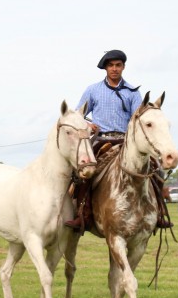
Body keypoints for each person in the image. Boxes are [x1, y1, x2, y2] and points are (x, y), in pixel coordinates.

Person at [64, 49, 172, 231]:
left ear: (123, 67)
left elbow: (139, 119)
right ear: (106, 68)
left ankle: (158, 212)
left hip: (126, 141)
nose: (114, 69)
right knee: (85, 172)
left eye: (118, 65)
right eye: (111, 65)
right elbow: (78, 114)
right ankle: (82, 213)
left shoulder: (132, 92)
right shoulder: (93, 90)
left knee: (155, 169)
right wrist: (89, 126)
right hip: (101, 139)